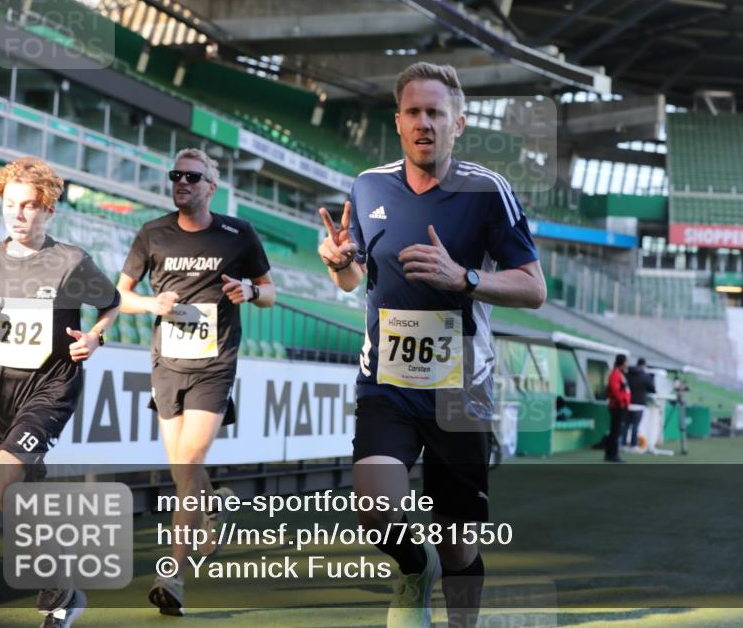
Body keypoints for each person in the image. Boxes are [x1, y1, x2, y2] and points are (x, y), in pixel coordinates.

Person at [316, 62, 545, 628]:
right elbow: (354, 280)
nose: (424, 122)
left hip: (459, 390)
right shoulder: (369, 186)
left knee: (461, 540)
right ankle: (416, 568)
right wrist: (339, 265)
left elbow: (533, 288)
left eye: (436, 113)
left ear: (458, 123)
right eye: (414, 112)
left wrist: (462, 277)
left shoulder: (487, 191)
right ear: (398, 122)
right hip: (387, 382)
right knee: (373, 505)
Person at [116, 148, 276, 616]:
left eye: (193, 176)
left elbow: (270, 293)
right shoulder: (152, 234)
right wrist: (152, 306)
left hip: (215, 363)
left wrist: (248, 290)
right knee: (181, 469)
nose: (182, 182)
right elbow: (121, 296)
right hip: (167, 365)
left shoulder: (238, 234)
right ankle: (211, 507)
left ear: (212, 186)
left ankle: (173, 576)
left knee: (187, 462)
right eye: (176, 175)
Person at [0, 157, 120, 628]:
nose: (17, 215)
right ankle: (61, 592)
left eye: (29, 206)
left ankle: (63, 587)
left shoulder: (70, 261)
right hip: (2, 390)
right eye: (10, 205)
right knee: (12, 496)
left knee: (0, 484)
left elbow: (110, 304)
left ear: (48, 210)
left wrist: (97, 337)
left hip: (51, 388)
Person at [623, 357, 656, 453]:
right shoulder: (645, 376)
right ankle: (633, 445)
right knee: (635, 426)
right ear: (644, 364)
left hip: (628, 403)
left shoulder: (628, 374)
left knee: (626, 425)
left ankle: (623, 444)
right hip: (639, 404)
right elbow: (652, 389)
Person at [604, 354, 631, 462]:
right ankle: (612, 455)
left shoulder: (619, 373)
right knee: (615, 431)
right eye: (626, 361)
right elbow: (615, 391)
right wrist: (622, 402)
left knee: (615, 431)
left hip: (620, 406)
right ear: (623, 362)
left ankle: (610, 454)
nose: (627, 363)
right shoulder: (615, 374)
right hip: (617, 406)